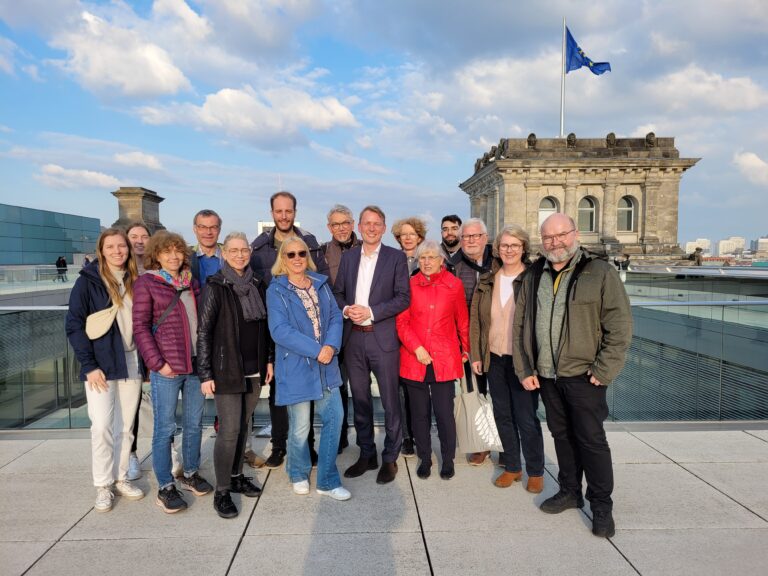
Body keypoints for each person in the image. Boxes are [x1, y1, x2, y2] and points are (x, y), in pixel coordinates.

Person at [512, 213, 632, 538]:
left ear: (574, 234)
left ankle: (602, 506)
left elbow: (619, 326)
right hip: (548, 376)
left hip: (584, 375)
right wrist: (525, 368)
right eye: (548, 238)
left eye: (561, 235)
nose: (555, 242)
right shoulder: (534, 274)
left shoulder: (599, 273)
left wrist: (604, 369)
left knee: (591, 441)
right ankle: (569, 490)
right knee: (561, 436)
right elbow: (520, 326)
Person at [133, 231, 214, 514]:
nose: (173, 256)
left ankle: (190, 472)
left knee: (194, 424)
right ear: (157, 255)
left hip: (194, 366)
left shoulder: (191, 282)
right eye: (167, 252)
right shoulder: (147, 283)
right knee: (165, 428)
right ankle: (165, 485)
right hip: (166, 368)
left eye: (177, 251)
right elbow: (141, 327)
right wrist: (157, 363)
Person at [65, 229, 144, 512]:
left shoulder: (137, 279)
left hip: (132, 360)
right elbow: (74, 325)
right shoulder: (88, 282)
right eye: (110, 246)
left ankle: (121, 477)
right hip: (101, 363)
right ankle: (103, 484)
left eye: (121, 245)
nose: (117, 251)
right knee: (101, 427)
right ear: (101, 250)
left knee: (126, 427)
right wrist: (89, 365)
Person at [266, 236, 350, 500]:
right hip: (298, 368)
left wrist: (331, 346)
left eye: (301, 253)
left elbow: (336, 316)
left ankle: (327, 479)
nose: (297, 258)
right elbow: (280, 331)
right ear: (283, 258)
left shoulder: (320, 283)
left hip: (326, 367)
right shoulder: (276, 290)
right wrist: (317, 350)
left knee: (334, 420)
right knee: (300, 428)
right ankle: (298, 472)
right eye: (290, 254)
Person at [250, 191, 328, 469]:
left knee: (308, 390)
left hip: (307, 331)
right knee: (278, 392)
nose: (284, 215)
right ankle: (280, 446)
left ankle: (308, 446)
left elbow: (321, 281)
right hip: (275, 328)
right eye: (278, 211)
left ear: (295, 211)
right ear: (272, 213)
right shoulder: (259, 249)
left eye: (288, 211)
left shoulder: (309, 244)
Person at [197, 232, 273, 518]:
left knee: (243, 425)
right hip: (226, 369)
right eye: (234, 250)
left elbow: (264, 328)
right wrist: (205, 372)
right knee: (229, 430)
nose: (240, 255)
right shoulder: (216, 286)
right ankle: (222, 490)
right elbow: (203, 332)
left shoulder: (257, 283)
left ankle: (237, 475)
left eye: (244, 250)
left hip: (254, 369)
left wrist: (268, 361)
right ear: (224, 253)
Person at [334, 205, 410, 485]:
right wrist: (346, 311)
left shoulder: (396, 258)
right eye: (367, 223)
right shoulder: (350, 257)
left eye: (377, 223)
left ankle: (390, 457)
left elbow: (403, 297)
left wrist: (371, 311)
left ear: (384, 226)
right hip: (353, 338)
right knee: (361, 399)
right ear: (359, 226)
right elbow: (338, 292)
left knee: (390, 400)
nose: (371, 228)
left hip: (383, 338)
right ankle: (367, 453)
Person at [470, 225, 544, 492]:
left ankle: (535, 469)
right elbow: (477, 322)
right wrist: (477, 354)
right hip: (494, 358)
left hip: (522, 361)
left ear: (523, 248)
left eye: (514, 245)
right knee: (502, 415)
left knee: (526, 417)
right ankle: (512, 466)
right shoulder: (488, 280)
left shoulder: (532, 280)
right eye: (504, 245)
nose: (509, 250)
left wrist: (537, 364)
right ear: (497, 249)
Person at [396, 240, 468, 480]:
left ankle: (448, 460)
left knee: (445, 413)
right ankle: (425, 458)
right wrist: (416, 348)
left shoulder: (454, 285)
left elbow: (462, 321)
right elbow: (402, 321)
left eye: (431, 257)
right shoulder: (409, 285)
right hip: (414, 358)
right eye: (422, 258)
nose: (426, 262)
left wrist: (466, 350)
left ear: (441, 260)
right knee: (419, 414)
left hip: (444, 358)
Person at [450, 217, 493, 465]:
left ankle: (507, 445)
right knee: (476, 393)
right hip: (467, 342)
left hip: (496, 341)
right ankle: (482, 443)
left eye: (476, 236)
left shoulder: (498, 263)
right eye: (466, 237)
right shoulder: (454, 265)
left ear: (485, 238)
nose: (471, 241)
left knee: (500, 395)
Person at [320, 204, 360, 453]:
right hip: (335, 328)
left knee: (361, 385)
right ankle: (341, 435)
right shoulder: (322, 253)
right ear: (329, 227)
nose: (341, 228)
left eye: (345, 222)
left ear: (353, 223)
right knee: (338, 385)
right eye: (336, 224)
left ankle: (365, 439)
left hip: (363, 327)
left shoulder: (367, 249)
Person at [390, 216, 428, 457]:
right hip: (396, 329)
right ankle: (406, 437)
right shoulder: (392, 260)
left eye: (411, 233)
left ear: (420, 236)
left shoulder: (428, 260)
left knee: (420, 387)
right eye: (403, 234)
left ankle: (421, 431)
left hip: (420, 331)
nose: (407, 238)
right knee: (400, 388)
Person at [124, 221, 155, 481]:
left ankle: (166, 449)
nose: (139, 240)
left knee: (158, 400)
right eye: (134, 236)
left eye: (144, 236)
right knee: (131, 404)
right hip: (128, 345)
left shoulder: (157, 268)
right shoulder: (121, 271)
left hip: (155, 342)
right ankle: (130, 453)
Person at [190, 209, 224, 286]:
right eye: (202, 227)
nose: (208, 232)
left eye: (213, 227)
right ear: (195, 229)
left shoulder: (232, 257)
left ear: (219, 230)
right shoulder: (185, 257)